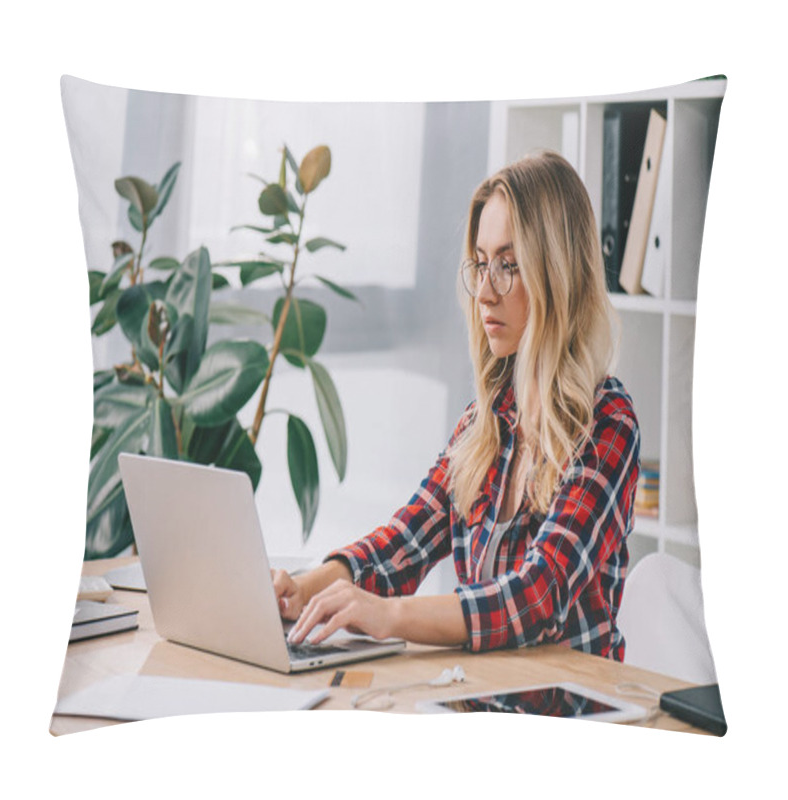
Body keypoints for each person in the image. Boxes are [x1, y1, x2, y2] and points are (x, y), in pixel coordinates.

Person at [273, 150, 640, 661]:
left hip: (571, 714)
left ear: (557, 274)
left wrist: (388, 616)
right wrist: (306, 588)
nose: (485, 293)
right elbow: (405, 540)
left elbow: (538, 595)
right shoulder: (486, 422)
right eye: (482, 265)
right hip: (481, 697)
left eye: (510, 267)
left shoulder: (608, 423)